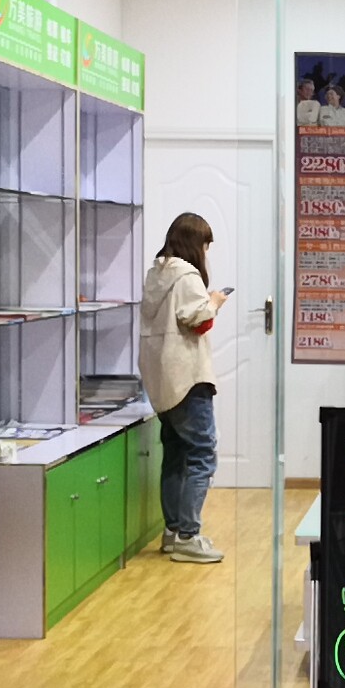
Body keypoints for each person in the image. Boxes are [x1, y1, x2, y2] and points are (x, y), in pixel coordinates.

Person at [140, 212, 229, 564]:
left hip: (162, 381)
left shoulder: (156, 274)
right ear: (195, 244)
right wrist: (215, 302)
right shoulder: (187, 276)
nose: (206, 252)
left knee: (175, 455)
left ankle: (173, 531)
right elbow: (198, 319)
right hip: (188, 379)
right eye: (205, 245)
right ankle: (189, 536)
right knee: (202, 453)